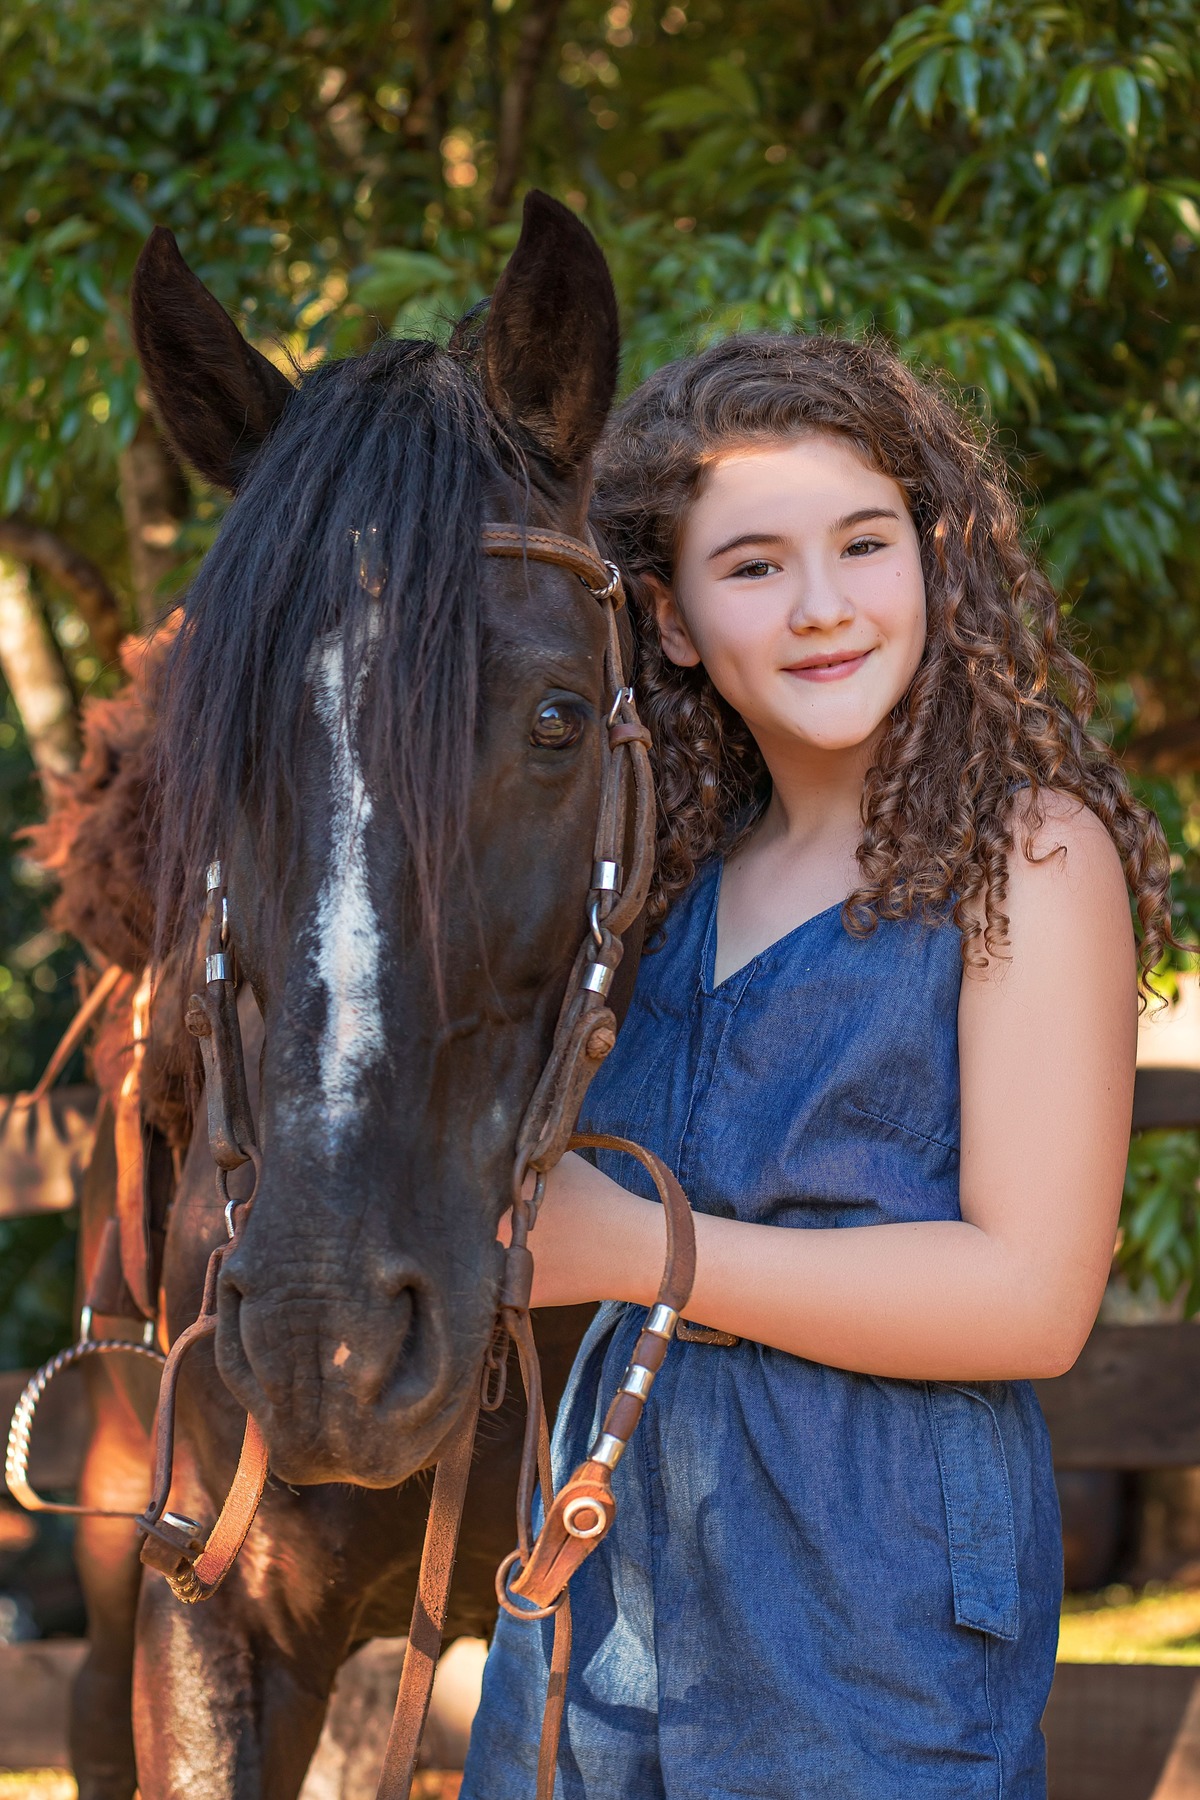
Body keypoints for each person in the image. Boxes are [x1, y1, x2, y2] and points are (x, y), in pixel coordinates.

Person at [459, 333, 1174, 1799]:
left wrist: (642, 1251)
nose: (826, 606)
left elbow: (1031, 1300)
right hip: (606, 1560)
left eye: (865, 542)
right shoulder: (661, 881)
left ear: (936, 557)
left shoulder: (1026, 857)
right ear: (665, 620)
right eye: (755, 566)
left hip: (878, 1585)